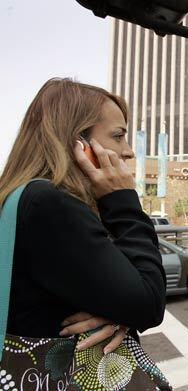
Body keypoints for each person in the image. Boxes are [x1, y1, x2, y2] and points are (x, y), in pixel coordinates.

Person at [2, 78, 166, 353]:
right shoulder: (50, 204)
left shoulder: (21, 197)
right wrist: (123, 202)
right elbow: (149, 303)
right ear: (79, 145)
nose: (128, 151)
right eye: (118, 136)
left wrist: (117, 312)